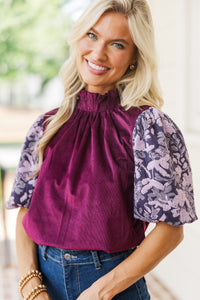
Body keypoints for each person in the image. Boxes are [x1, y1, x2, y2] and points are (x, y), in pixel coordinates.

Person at [6, 0, 198, 299]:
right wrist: (31, 283)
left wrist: (100, 292)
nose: (98, 53)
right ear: (78, 37)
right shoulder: (47, 125)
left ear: (134, 56)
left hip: (112, 287)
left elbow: (170, 229)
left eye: (117, 44)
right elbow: (26, 210)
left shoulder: (148, 127)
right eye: (92, 36)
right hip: (44, 284)